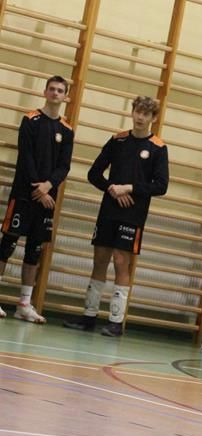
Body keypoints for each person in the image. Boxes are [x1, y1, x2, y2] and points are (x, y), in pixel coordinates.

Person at [63, 96, 168, 337]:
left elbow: (161, 185)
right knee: (100, 260)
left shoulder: (158, 148)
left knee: (121, 261)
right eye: (137, 111)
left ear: (153, 118)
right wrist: (112, 188)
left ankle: (116, 322)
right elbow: (94, 173)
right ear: (132, 112)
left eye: (146, 114)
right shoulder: (118, 140)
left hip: (133, 214)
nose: (140, 117)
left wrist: (129, 188)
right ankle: (89, 316)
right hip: (109, 210)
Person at [0, 75, 73, 323]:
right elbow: (26, 156)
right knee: (7, 244)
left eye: (60, 90)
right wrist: (38, 188)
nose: (55, 93)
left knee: (34, 250)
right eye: (51, 89)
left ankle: (24, 304)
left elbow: (64, 165)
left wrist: (48, 186)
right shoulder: (30, 120)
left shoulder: (66, 130)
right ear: (45, 92)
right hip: (24, 194)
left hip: (47, 199)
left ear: (65, 96)